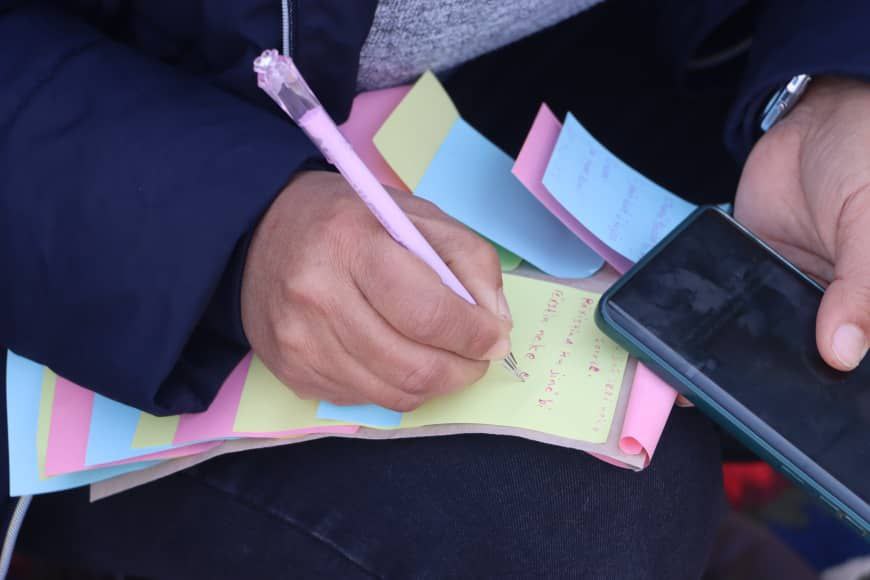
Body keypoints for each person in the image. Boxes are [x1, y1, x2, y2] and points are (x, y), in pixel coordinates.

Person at [2, 0, 868, 577]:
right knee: (570, 520)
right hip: (108, 194)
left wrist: (833, 77)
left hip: (641, 95)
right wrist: (233, 228)